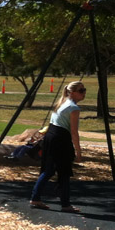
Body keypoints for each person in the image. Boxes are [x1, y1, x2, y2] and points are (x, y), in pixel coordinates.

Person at [30, 81, 86, 213]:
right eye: (81, 90)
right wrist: (78, 151)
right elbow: (74, 132)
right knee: (64, 172)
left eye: (84, 90)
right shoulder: (73, 108)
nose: (84, 93)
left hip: (51, 136)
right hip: (61, 139)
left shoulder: (62, 102)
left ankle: (35, 197)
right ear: (72, 92)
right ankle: (65, 204)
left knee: (48, 170)